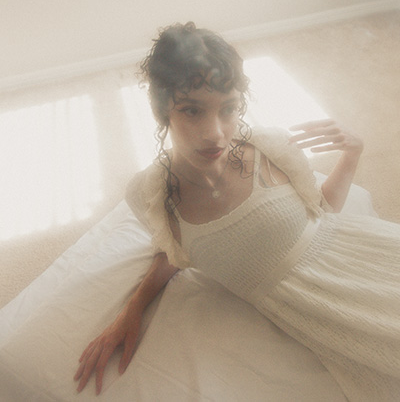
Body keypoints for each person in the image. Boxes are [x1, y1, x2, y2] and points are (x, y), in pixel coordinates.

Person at [74, 22, 400, 400]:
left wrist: (352, 154)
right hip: (317, 310)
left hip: (365, 255)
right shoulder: (149, 193)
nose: (214, 132)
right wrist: (130, 311)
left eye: (228, 109)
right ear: (163, 110)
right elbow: (173, 252)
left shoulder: (268, 149)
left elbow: (322, 213)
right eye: (192, 111)